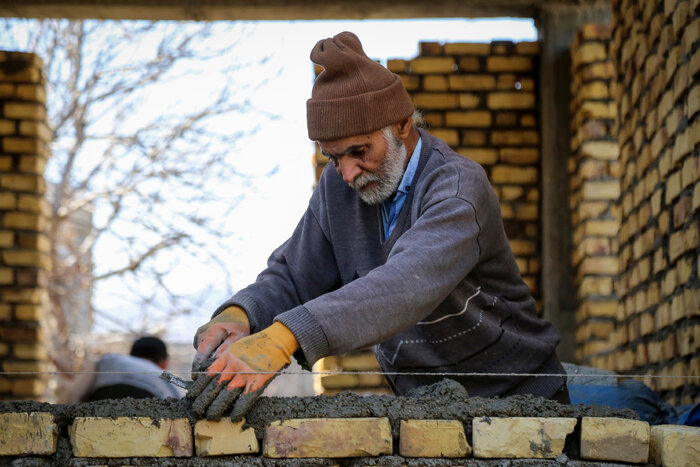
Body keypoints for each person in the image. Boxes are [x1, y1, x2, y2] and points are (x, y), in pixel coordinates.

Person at [191, 31, 569, 420]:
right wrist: (241, 314)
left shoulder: (457, 188)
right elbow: (293, 275)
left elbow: (405, 283)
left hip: (524, 403)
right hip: (431, 411)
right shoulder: (338, 188)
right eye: (334, 157)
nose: (348, 172)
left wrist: (284, 337)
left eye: (359, 151)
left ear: (403, 124)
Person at [69, 336, 183, 402]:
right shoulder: (169, 382)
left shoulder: (109, 360)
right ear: (164, 363)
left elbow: (73, 394)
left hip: (99, 404)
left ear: (130, 355)